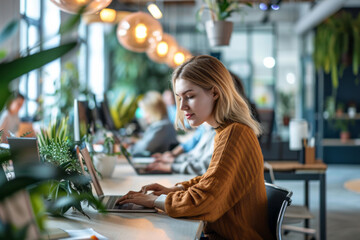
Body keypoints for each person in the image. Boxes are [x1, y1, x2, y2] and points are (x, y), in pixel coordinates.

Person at [117, 55, 272, 240]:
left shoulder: (234, 134)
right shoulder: (225, 131)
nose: (182, 106)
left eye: (190, 96)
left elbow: (205, 202)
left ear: (215, 93)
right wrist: (174, 190)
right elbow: (212, 179)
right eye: (179, 98)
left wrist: (154, 201)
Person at [146, 123, 215, 175]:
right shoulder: (207, 129)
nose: (182, 108)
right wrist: (172, 159)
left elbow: (204, 166)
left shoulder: (216, 132)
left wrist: (171, 166)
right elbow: (195, 156)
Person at [129, 91, 178, 156]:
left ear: (152, 110)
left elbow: (143, 148)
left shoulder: (161, 126)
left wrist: (127, 148)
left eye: (145, 111)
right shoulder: (165, 123)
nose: (144, 115)